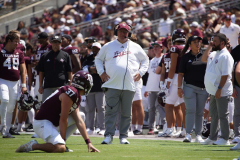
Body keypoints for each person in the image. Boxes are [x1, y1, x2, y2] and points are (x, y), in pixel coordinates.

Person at [16, 71, 100, 153]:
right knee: (60, 147)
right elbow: (63, 118)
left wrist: (88, 142)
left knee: (81, 116)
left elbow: (79, 120)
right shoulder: (71, 93)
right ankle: (33, 145)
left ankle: (60, 142)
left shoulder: (75, 94)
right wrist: (62, 141)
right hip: (42, 122)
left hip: (51, 122)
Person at [95, 22, 149, 144]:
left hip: (129, 85)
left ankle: (123, 136)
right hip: (111, 84)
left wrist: (141, 72)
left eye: (125, 31)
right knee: (110, 111)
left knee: (126, 113)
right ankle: (108, 135)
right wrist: (101, 72)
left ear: (128, 33)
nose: (123, 33)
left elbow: (145, 60)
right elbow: (98, 59)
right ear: (116, 32)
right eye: (120, 31)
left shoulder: (135, 46)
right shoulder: (108, 46)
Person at [201, 33, 234, 145]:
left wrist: (219, 88)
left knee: (223, 115)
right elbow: (203, 58)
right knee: (214, 114)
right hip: (213, 90)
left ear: (222, 43)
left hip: (222, 90)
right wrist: (210, 46)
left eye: (215, 41)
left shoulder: (225, 56)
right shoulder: (215, 53)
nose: (212, 42)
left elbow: (225, 75)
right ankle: (212, 137)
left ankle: (225, 138)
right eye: (212, 40)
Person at [178, 36, 208, 143]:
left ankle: (198, 135)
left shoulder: (206, 55)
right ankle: (188, 134)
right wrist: (179, 87)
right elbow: (181, 74)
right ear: (189, 45)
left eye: (198, 42)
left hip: (203, 88)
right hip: (189, 87)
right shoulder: (185, 57)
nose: (197, 44)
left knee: (200, 112)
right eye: (194, 42)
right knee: (190, 110)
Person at [159, 29, 186, 137]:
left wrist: (167, 83)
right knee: (184, 106)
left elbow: (173, 67)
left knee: (169, 106)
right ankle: (185, 130)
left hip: (175, 78)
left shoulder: (175, 49)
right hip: (185, 79)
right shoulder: (188, 48)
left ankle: (170, 129)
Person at [0, 33, 27, 138]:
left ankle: (7, 132)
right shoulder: (1, 52)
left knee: (11, 107)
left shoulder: (19, 53)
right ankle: (2, 125)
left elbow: (23, 70)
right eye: (16, 41)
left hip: (15, 83)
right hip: (2, 80)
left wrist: (24, 85)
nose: (17, 43)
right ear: (9, 41)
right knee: (5, 100)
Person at [38, 35, 72, 102]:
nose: (56, 44)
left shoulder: (66, 55)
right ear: (51, 43)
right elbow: (41, 72)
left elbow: (69, 72)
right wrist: (40, 86)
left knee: (61, 107)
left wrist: (69, 85)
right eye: (54, 42)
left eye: (57, 42)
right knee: (46, 106)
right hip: (48, 86)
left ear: (60, 43)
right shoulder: (44, 56)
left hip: (62, 86)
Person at [82, 42, 105, 135]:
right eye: (93, 48)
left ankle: (102, 128)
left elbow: (104, 69)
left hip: (100, 87)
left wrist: (95, 69)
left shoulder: (104, 58)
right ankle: (90, 128)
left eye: (97, 49)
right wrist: (91, 69)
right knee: (90, 109)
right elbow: (83, 68)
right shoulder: (88, 58)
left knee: (101, 108)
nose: (95, 50)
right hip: (90, 87)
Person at [144, 41, 165, 135]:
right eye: (154, 47)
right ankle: (151, 128)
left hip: (160, 88)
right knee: (151, 108)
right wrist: (147, 89)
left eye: (157, 47)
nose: (155, 48)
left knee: (161, 108)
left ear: (161, 48)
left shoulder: (163, 58)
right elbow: (150, 75)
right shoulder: (151, 60)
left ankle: (166, 126)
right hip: (152, 88)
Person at [230, 59, 240, 150]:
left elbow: (237, 72)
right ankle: (238, 136)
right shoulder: (236, 52)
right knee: (237, 113)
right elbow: (236, 72)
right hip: (237, 87)